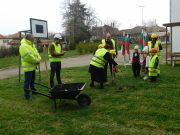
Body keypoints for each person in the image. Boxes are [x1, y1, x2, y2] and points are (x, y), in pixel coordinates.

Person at [19, 34, 41, 100]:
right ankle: (27, 95)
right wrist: (36, 61)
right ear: (29, 38)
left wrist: (39, 58)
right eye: (33, 38)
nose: (34, 39)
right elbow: (27, 57)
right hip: (28, 67)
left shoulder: (32, 44)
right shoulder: (23, 46)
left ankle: (33, 90)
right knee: (27, 81)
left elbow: (36, 53)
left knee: (32, 80)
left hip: (33, 66)